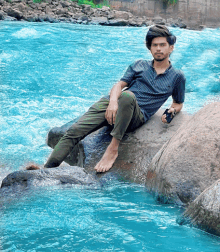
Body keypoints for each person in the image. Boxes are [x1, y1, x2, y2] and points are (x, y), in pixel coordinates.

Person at [27, 25, 185, 173]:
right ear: (149, 48)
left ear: (171, 47)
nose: (158, 49)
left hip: (135, 115)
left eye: (162, 45)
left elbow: (178, 103)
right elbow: (119, 85)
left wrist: (172, 111)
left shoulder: (177, 77)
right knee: (74, 130)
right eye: (154, 45)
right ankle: (46, 170)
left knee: (127, 96)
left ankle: (113, 148)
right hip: (115, 105)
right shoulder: (139, 65)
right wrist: (113, 103)